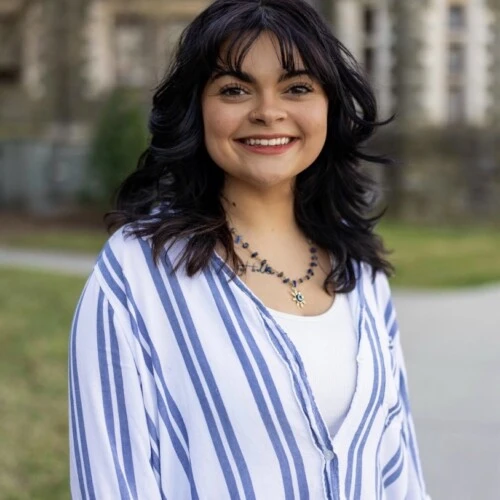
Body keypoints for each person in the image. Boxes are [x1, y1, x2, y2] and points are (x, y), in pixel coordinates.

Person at [69, 0, 431, 498]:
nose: (268, 112)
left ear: (330, 105)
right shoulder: (137, 274)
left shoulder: (361, 270)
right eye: (235, 89)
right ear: (197, 108)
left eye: (297, 87)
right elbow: (111, 483)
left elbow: (400, 474)